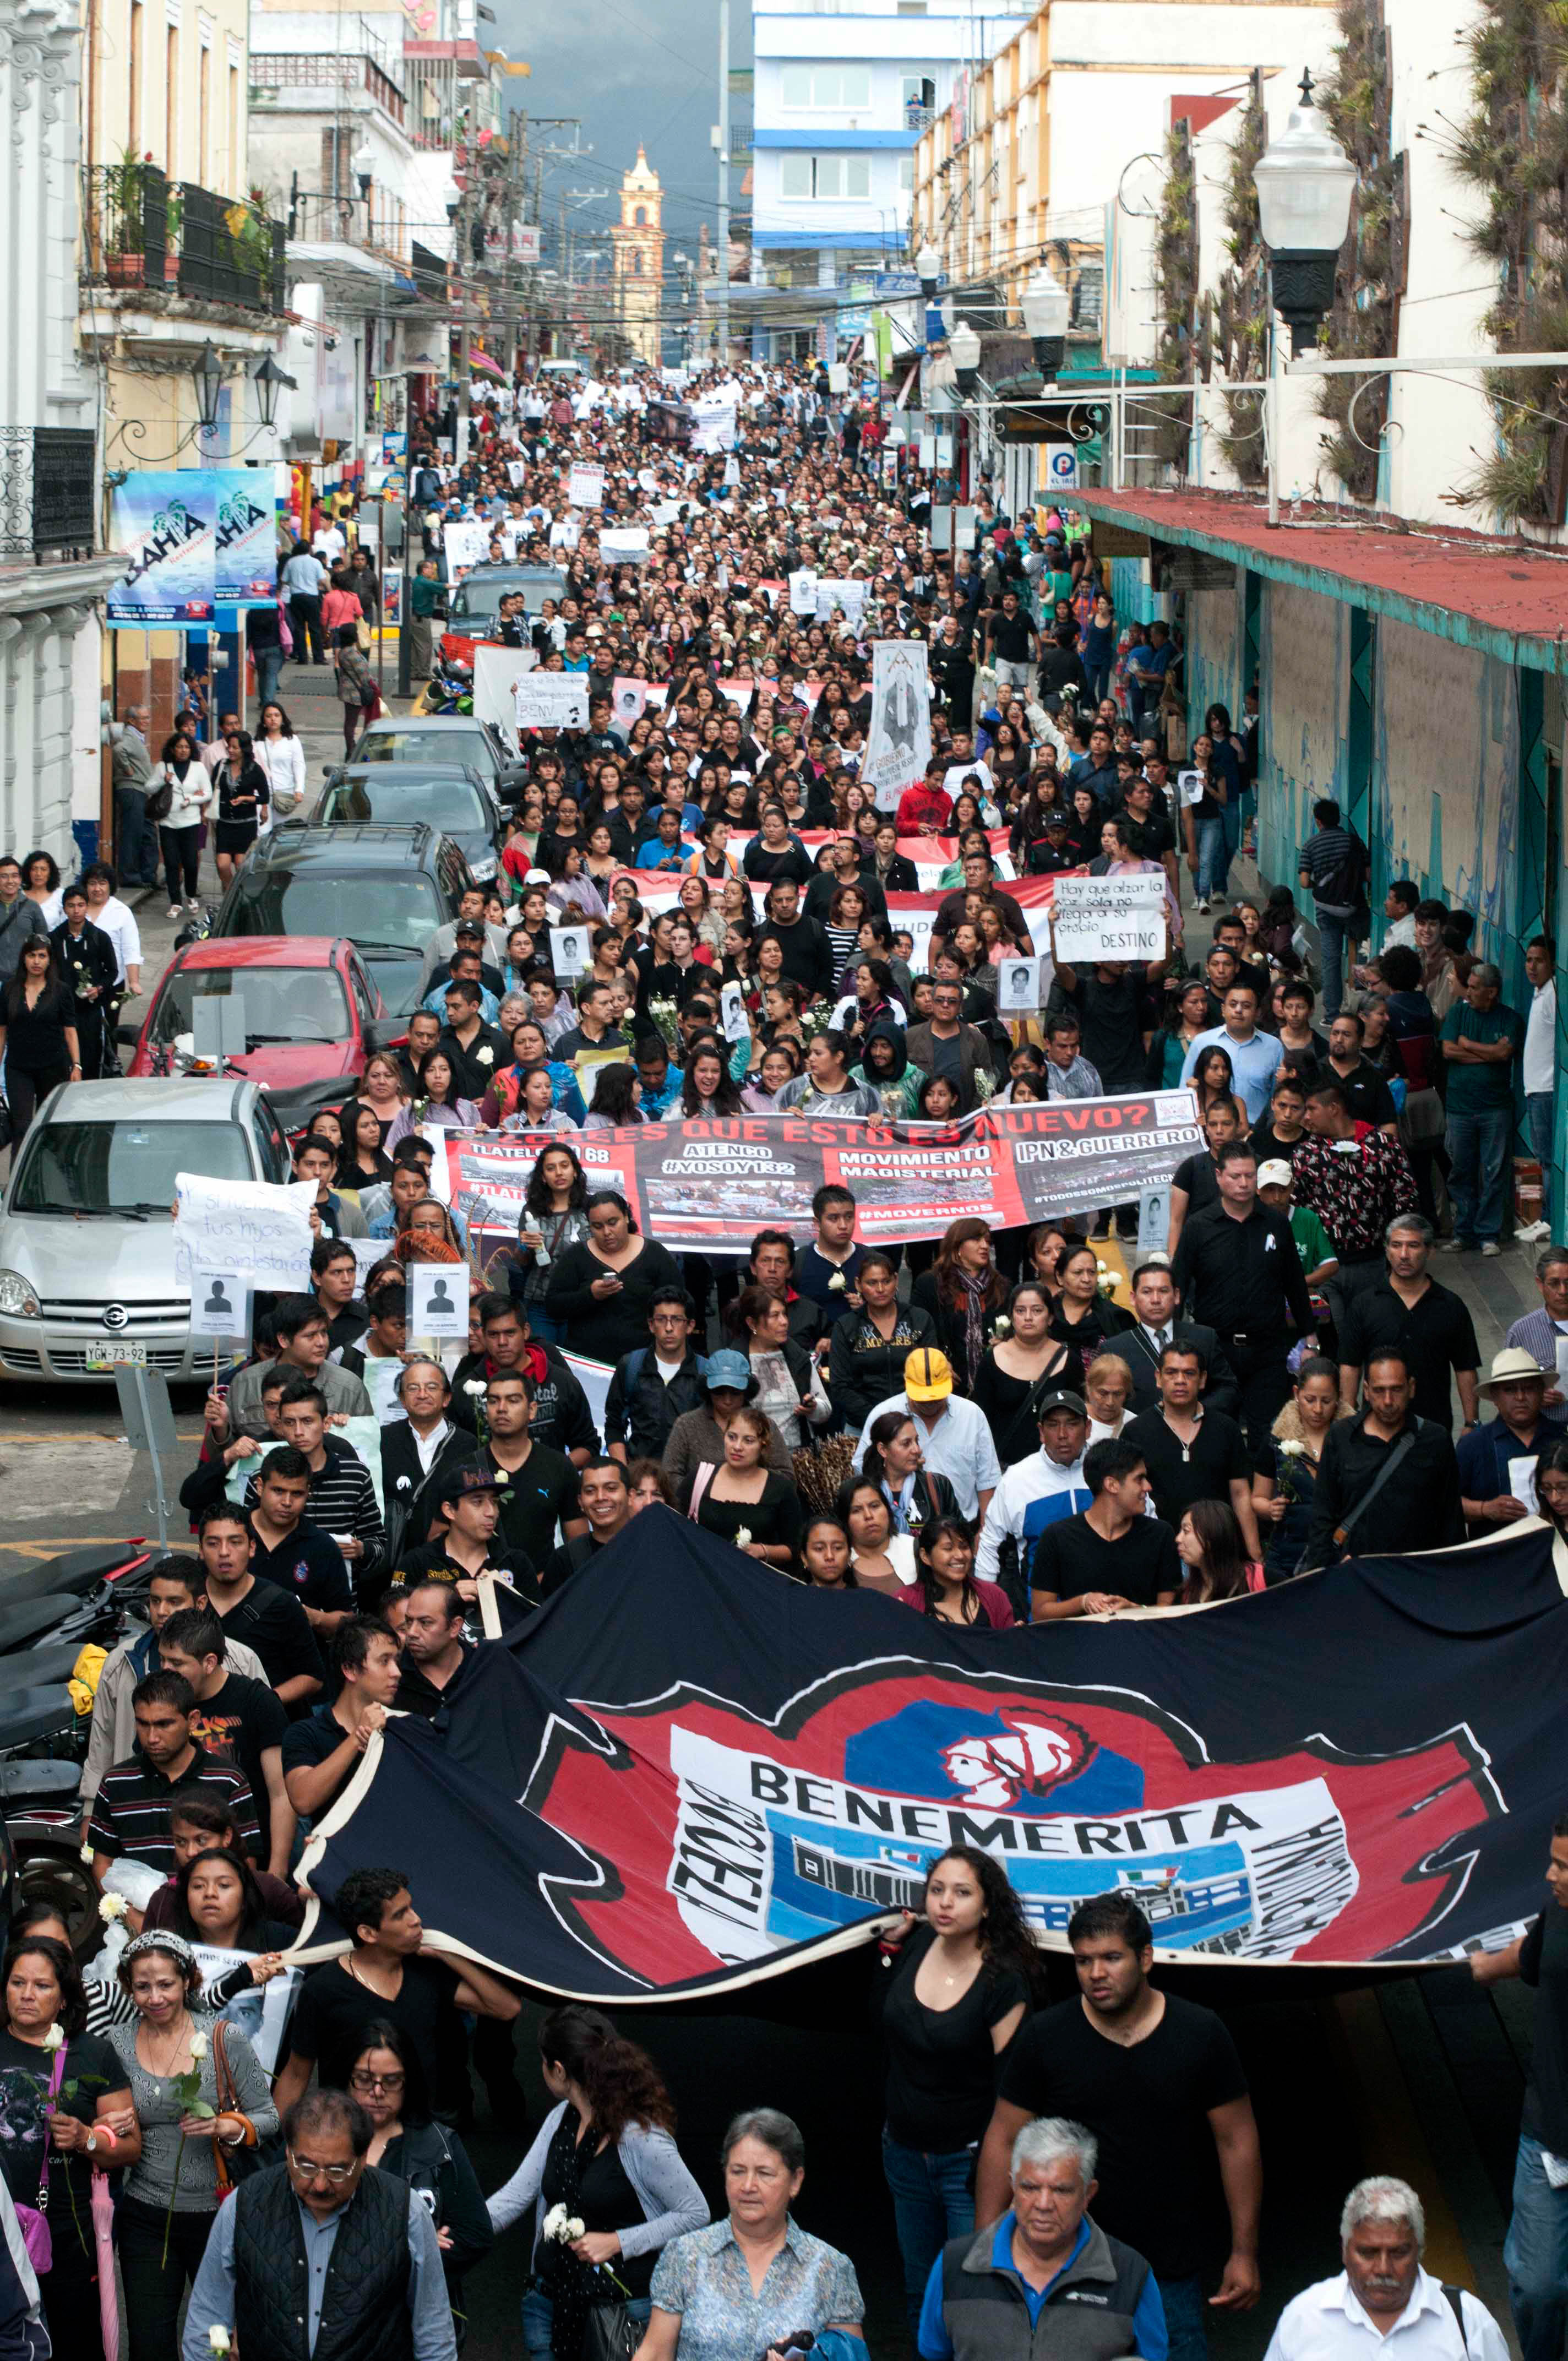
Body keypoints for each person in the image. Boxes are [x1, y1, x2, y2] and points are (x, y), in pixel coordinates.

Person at [976, 1893, 1261, 2361]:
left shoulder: (1200, 2032)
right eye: (1084, 1960)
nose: (1096, 1973)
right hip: (1066, 2263)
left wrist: (1244, 2252)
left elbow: (1237, 2140)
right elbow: (1003, 2137)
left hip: (1166, 2266)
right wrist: (986, 2252)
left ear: (1145, 1958)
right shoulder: (1047, 2036)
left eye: (1111, 1958)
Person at [488, 2004, 709, 2361]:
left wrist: (617, 2241)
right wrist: (449, 2230)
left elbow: (695, 2212)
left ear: (558, 2070)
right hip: (549, 2304)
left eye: (544, 2063)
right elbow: (516, 2196)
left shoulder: (640, 2136)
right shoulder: (560, 2120)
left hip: (619, 2313)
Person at [873, 1850, 1035, 2333]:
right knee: (920, 2290)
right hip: (902, 2152)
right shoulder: (917, 1944)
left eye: (962, 1893)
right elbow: (879, 2023)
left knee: (972, 2295)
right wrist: (889, 1953)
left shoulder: (1004, 1981)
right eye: (937, 1889)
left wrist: (999, 2180)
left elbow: (1014, 2096)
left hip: (968, 2166)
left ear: (987, 1907)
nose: (945, 1903)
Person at [181, 2087, 459, 2361]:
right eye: (306, 2167)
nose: (320, 2184)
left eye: (338, 2170)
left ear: (362, 2159)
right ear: (288, 2152)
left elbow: (433, 2333)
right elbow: (207, 2320)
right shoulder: (245, 2205)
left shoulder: (405, 2213)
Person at [110, 1930, 279, 2361]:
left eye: (165, 1984)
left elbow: (270, 2118)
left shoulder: (224, 2038)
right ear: (129, 1988)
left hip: (219, 2213)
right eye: (142, 1987)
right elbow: (108, 2124)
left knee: (221, 2342)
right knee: (148, 2344)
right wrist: (112, 2123)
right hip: (146, 2215)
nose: (155, 1997)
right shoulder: (117, 2042)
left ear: (188, 1980)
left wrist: (226, 2126)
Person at [918, 2115, 1168, 2361]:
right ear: (1013, 2186)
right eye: (1031, 2187)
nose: (1044, 2204)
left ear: (1087, 2195)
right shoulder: (954, 2266)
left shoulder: (1130, 2275)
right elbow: (933, 2354)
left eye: (1061, 2190)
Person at [0, 1931, 137, 2360]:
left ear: (64, 1999)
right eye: (17, 1983)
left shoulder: (92, 2054)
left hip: (67, 2233)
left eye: (42, 1986)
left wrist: (86, 2138)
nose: (27, 1995)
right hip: (1, 2237)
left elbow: (130, 2148)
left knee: (73, 2343)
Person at [635, 2108, 865, 2361]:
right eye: (738, 2171)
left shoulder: (830, 2268)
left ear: (796, 2181)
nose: (748, 2186)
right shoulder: (685, 2255)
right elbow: (655, 2353)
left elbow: (850, 2354)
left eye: (764, 2173)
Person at [1469, 1813, 1568, 2361]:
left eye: (1563, 1866)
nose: (1550, 1876)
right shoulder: (1558, 1913)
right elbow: (1530, 1955)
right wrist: (1486, 1968)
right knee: (1539, 2286)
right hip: (1548, 2140)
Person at [1260, 2177, 1508, 2361]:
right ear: (1345, 2252)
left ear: (1419, 2252)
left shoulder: (1467, 2320)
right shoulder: (1304, 2317)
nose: (1383, 2269)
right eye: (1368, 2253)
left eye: (1399, 2253)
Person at [347, 2019, 493, 2331]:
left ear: (409, 2081)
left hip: (415, 2321)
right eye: (364, 2079)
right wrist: (416, 2244)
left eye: (391, 2081)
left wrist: (417, 2258)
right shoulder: (321, 2141)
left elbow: (475, 2235)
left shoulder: (438, 2143)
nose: (376, 2092)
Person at [1171, 1145, 1315, 1451]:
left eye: (1250, 1176)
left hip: (1268, 1349)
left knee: (1268, 1436)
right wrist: (1169, 1337)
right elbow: (1178, 1286)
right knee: (1215, 1433)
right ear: (1219, 1177)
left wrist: (1310, 1339)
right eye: (1235, 1176)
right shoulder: (1198, 1226)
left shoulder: (1276, 1224)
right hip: (1215, 1350)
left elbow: (1295, 1284)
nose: (1243, 1183)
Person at [156, 1606, 293, 1878]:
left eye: (177, 1663)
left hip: (247, 1858)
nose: (165, 1670)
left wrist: (277, 1869)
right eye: (162, 1660)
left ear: (209, 1662)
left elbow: (281, 1792)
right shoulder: (161, 1704)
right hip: (177, 1861)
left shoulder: (257, 1701)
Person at [88, 1669, 262, 1884]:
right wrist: (131, 1915)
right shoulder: (115, 1784)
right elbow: (103, 1865)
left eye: (164, 1724)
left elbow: (246, 1864)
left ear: (193, 1720)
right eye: (143, 1724)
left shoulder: (229, 1781)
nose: (152, 1737)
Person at [1304, 1348, 1465, 1565]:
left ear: (1412, 1388)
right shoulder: (1341, 1438)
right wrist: (1330, 1572)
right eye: (1379, 1391)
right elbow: (1323, 1517)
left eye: (1396, 1390)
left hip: (1419, 1578)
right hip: (1357, 1577)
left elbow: (1451, 1520)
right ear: (1367, 1391)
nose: (1388, 1401)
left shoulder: (1435, 1440)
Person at [1336, 1215, 1481, 1433]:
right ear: (1386, 1250)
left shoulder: (1451, 1306)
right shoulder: (1364, 1305)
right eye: (1396, 1246)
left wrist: (1471, 1423)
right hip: (1375, 1428)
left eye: (1413, 1246)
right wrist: (1346, 1418)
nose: (1404, 1255)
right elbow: (1350, 1365)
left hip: (1433, 1428)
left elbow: (1465, 1368)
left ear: (1430, 1251)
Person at [1124, 1345, 1262, 1560]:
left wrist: (1254, 1554)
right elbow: (1127, 1499)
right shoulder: (1135, 1432)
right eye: (1171, 1373)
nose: (1180, 1380)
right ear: (1159, 1378)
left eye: (1189, 1373)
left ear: (1203, 1379)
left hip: (1220, 1552)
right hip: (1159, 1553)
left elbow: (1241, 1494)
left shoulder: (1226, 1428)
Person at [1027, 1438, 1182, 1622]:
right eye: (1139, 1479)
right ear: (1112, 1485)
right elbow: (1040, 1613)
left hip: (1144, 1644)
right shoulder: (1057, 1537)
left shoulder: (1161, 1535)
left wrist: (1135, 1609)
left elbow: (1172, 1611)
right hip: (1078, 1646)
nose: (1148, 1487)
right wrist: (1083, 1602)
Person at [852, 1350, 1002, 1526]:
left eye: (937, 1396)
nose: (930, 1402)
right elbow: (864, 1471)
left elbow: (987, 1479)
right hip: (898, 1530)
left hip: (961, 1528)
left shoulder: (972, 1415)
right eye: (922, 1397)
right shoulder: (883, 1414)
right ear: (907, 1383)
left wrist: (984, 1531)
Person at [973, 1389, 1093, 1606]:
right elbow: (990, 1544)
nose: (1062, 1434)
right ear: (1041, 1431)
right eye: (1053, 1425)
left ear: (1088, 1428)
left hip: (1104, 1610)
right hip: (1041, 1615)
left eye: (1072, 1424)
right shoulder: (1017, 1479)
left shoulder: (1109, 1469)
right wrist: (987, 1609)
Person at [1291, 1079, 1419, 1272]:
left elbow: (1405, 1199)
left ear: (1333, 1109)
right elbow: (1295, 1207)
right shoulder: (1305, 1153)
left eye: (1312, 1109)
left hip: (1375, 1259)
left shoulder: (1383, 1145)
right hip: (1323, 1264)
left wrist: (1400, 1250)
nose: (1306, 1117)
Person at [282, 1615, 401, 1824]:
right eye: (384, 1661)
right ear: (350, 1670)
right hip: (339, 1853)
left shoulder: (402, 1727)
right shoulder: (306, 1733)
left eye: (396, 1661)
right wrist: (357, 1738)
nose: (396, 1672)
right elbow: (302, 1800)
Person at [1441, 962, 1525, 1255]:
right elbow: (1448, 1050)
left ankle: (1487, 1233)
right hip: (1460, 1107)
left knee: (1493, 1171)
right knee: (1461, 1170)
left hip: (1496, 1109)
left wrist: (1468, 1045)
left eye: (1476, 987)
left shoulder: (1510, 1019)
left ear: (1492, 992)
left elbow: (1505, 1053)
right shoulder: (1458, 1012)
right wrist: (1488, 1054)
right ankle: (1463, 1233)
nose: (1470, 992)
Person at [545, 1192, 684, 1365]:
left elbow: (679, 1302)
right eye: (597, 1226)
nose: (607, 1232)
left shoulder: (655, 1254)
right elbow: (553, 1305)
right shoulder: (576, 1256)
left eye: (613, 1223)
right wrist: (590, 1295)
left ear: (626, 1217)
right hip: (589, 1364)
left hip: (643, 1364)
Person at [1250, 1356, 1352, 1586]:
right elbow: (1256, 1499)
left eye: (1326, 1401)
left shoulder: (1353, 1439)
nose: (1318, 1409)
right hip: (1287, 1557)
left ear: (1338, 1399)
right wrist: (1269, 1508)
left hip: (1338, 1554)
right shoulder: (1276, 1439)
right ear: (1296, 1394)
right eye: (1310, 1400)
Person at [1099, 1262, 1240, 1422]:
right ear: (1133, 1298)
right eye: (1147, 1292)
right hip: (1143, 1438)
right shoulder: (1115, 1349)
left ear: (1177, 1296)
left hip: (1200, 1431)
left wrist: (1197, 1412)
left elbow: (1228, 1388)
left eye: (1163, 1291)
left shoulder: (1204, 1337)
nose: (1156, 1300)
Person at [1457, 1350, 1567, 1533]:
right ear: (1495, 1397)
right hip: (1495, 1556)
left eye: (1529, 1388)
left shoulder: (1562, 1439)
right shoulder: (1473, 1445)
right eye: (1510, 1390)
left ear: (1542, 1391)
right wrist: (1485, 1509)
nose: (1520, 1397)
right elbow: (1444, 1503)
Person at [0, 937, 79, 1144]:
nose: (36, 961)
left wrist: (76, 1066)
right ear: (24, 958)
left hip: (52, 1066)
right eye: (32, 955)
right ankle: (18, 1175)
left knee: (49, 1126)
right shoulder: (9, 989)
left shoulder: (61, 991)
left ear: (49, 960)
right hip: (18, 1067)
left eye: (42, 956)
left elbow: (70, 1031)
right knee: (22, 1127)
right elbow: (1, 1032)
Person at [1297, 799, 1368, 1021]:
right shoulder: (1355, 842)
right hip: (1354, 907)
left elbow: (1304, 881)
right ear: (1338, 818)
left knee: (1330, 959)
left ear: (1318, 821)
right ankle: (1361, 1009)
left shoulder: (1310, 845)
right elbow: (1367, 875)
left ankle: (1332, 1014)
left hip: (1326, 910)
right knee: (1360, 957)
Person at [1522, 937, 1557, 1241]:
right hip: (1534, 1089)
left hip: (1546, 1089)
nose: (1532, 966)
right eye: (1529, 959)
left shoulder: (1553, 995)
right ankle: (1545, 1217)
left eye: (1540, 960)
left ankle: (1549, 1220)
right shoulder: (1539, 993)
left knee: (1547, 1158)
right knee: (1540, 1156)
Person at [1506, 1247, 1568, 1378]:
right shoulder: (1521, 1332)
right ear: (1540, 1284)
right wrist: (1538, 1393)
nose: (1563, 1291)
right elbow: (1507, 1387)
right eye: (1554, 1283)